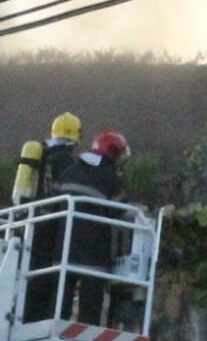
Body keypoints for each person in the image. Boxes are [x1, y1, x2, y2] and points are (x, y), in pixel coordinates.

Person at [52, 130, 129, 324]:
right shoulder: (111, 179)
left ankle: (55, 328)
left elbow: (53, 205)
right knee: (91, 306)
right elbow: (124, 212)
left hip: (64, 249)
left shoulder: (69, 171)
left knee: (60, 299)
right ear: (113, 153)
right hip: (94, 253)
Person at [22, 112, 82, 322]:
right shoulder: (65, 161)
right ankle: (40, 318)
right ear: (75, 138)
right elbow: (68, 192)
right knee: (48, 275)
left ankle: (28, 316)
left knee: (33, 274)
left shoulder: (42, 156)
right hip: (53, 224)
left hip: (34, 220)